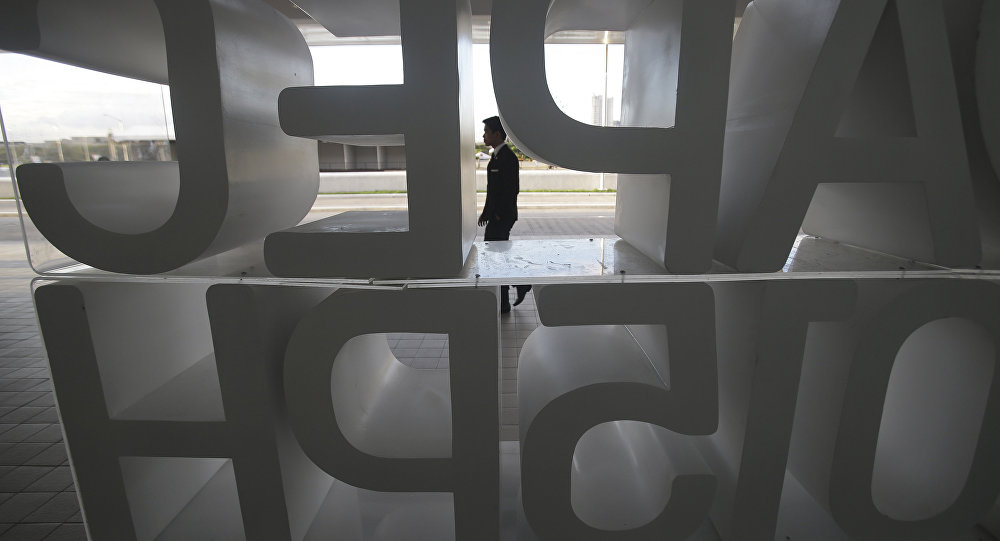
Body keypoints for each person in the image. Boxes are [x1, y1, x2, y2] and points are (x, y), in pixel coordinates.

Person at [478, 116, 531, 313]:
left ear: (497, 134)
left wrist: (498, 215)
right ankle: (512, 294)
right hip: (496, 216)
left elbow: (511, 190)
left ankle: (505, 300)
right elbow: (492, 191)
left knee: (495, 257)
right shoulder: (496, 156)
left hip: (503, 217)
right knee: (498, 257)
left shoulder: (507, 158)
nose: (484, 135)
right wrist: (486, 213)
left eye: (486, 131)